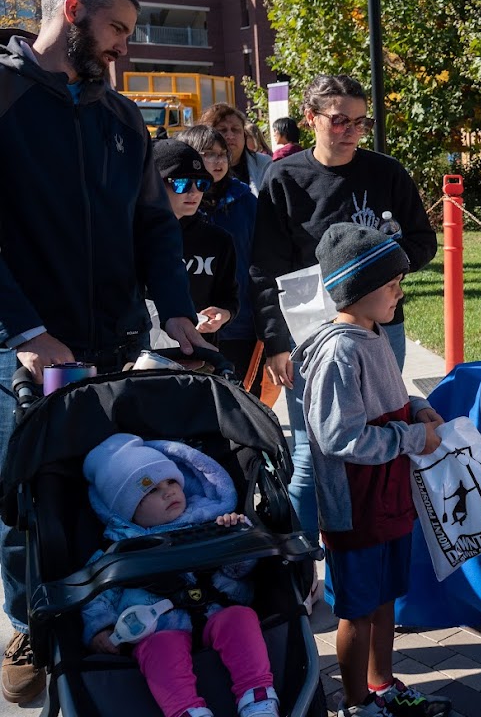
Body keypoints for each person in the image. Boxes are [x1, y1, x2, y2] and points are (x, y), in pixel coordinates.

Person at [0, 0, 209, 703]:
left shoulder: (123, 118)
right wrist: (24, 328)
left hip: (113, 345)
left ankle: (110, 622)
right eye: (116, 29)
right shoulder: (4, 94)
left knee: (112, 493)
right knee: (28, 501)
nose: (123, 47)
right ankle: (28, 621)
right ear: (72, 11)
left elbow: (154, 224)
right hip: (28, 352)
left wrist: (174, 310)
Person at [250, 73, 437, 539]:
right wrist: (275, 341)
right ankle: (296, 565)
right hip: (310, 338)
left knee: (380, 440)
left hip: (378, 331)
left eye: (358, 122)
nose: (350, 131)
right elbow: (263, 268)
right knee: (314, 453)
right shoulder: (285, 176)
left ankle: (372, 550)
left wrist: (382, 268)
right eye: (338, 121)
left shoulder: (386, 172)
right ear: (311, 119)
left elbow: (423, 240)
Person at [294, 223, 449, 717]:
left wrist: (418, 407)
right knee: (358, 611)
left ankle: (381, 685)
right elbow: (340, 437)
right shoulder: (339, 351)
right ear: (358, 290)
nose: (399, 294)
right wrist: (410, 438)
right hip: (356, 505)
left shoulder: (373, 333)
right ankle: (356, 703)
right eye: (391, 285)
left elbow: (391, 394)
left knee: (386, 601)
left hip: (389, 497)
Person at [80, 433, 278, 717]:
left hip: (216, 609)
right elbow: (96, 593)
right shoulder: (118, 549)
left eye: (171, 481)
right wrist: (101, 627)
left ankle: (257, 698)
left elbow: (238, 572)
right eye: (150, 490)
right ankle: (186, 711)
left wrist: (236, 537)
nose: (169, 491)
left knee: (241, 618)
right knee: (159, 649)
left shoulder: (210, 520)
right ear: (127, 510)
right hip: (159, 628)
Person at [178, 125, 264, 393]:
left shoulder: (246, 201)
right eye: (208, 154)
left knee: (241, 405)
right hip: (182, 329)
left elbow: (261, 261)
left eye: (222, 154)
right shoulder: (175, 207)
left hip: (239, 323)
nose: (217, 161)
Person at [152, 139, 238, 342]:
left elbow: (229, 298)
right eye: (181, 184)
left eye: (201, 184)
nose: (193, 192)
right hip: (141, 356)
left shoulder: (218, 240)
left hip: (197, 354)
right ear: (153, 184)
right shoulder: (131, 238)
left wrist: (223, 314)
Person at [201, 104, 271, 192]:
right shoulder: (197, 166)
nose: (230, 136)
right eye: (223, 130)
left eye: (235, 130)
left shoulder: (264, 164)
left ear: (244, 135)